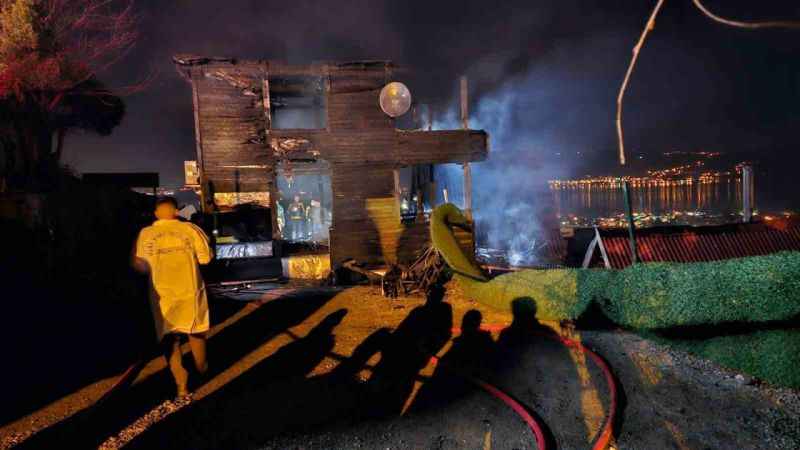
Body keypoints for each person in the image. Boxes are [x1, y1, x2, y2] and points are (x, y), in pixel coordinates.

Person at [132, 196, 213, 397]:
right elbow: (205, 259)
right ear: (176, 211)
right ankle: (202, 369)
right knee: (196, 333)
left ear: (156, 213)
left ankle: (181, 384)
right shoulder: (191, 230)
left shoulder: (146, 234)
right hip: (190, 293)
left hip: (162, 296)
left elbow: (140, 266)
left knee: (170, 340)